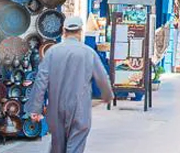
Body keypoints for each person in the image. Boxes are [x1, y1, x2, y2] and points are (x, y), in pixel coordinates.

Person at [26, 17, 114, 153]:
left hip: (55, 108)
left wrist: (35, 109)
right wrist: (107, 96)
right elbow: (102, 78)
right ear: (80, 32)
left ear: (64, 31)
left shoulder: (52, 52)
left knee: (57, 146)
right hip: (79, 108)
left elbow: (41, 81)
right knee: (75, 146)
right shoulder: (88, 52)